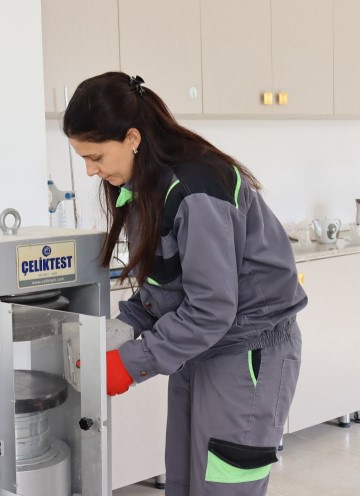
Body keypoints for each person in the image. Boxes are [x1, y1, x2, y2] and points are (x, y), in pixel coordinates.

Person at [63, 72, 306, 496]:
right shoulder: (147, 187)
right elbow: (169, 285)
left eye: (95, 156)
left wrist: (130, 363)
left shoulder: (197, 189)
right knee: (184, 481)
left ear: (132, 138)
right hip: (200, 350)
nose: (89, 170)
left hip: (247, 355)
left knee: (222, 488)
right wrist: (121, 328)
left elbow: (211, 308)